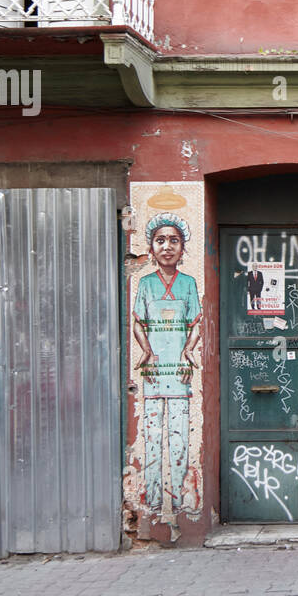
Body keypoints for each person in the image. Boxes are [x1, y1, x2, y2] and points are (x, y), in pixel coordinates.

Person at [132, 214, 202, 518]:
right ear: (151, 247)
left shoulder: (188, 284)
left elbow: (195, 324)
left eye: (174, 240)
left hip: (180, 370)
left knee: (178, 437)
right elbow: (138, 323)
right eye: (161, 240)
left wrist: (188, 350)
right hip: (152, 371)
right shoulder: (146, 284)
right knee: (151, 436)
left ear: (183, 247)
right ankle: (152, 502)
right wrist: (146, 350)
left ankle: (176, 502)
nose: (167, 246)